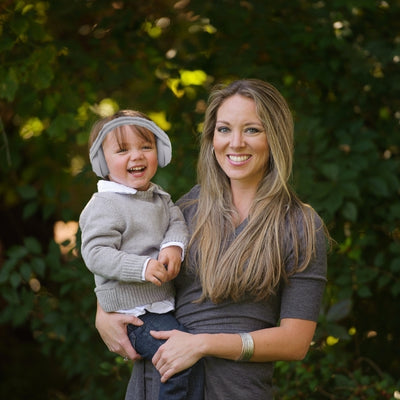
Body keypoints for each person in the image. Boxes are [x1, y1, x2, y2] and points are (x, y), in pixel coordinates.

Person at [94, 79, 329, 400]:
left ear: (275, 137)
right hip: (161, 386)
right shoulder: (184, 210)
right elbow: (127, 260)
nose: (235, 143)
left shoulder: (299, 224)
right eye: (224, 129)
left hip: (236, 390)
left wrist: (203, 344)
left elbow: (295, 341)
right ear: (211, 137)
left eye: (252, 130)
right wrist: (103, 312)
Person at [79, 110, 203, 399]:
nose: (136, 156)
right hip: (134, 314)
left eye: (145, 147)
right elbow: (96, 254)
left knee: (185, 359)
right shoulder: (105, 205)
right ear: (102, 161)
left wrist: (173, 245)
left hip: (159, 305)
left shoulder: (159, 197)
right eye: (123, 150)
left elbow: (176, 222)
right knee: (178, 361)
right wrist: (142, 266)